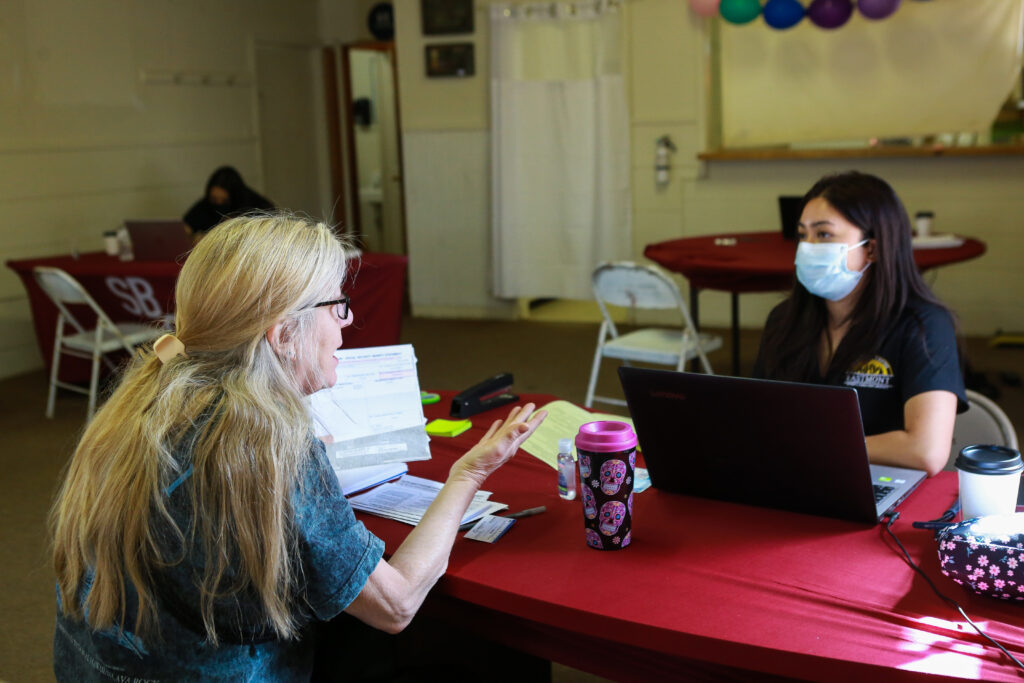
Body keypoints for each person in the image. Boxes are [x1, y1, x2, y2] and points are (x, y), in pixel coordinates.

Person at [50, 213, 547, 681]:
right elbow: (395, 605)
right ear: (284, 333)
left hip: (97, 666)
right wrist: (468, 475)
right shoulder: (267, 443)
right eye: (336, 306)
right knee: (479, 649)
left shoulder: (147, 393)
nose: (346, 322)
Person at [754, 171, 966, 476]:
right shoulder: (784, 320)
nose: (808, 247)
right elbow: (757, 417)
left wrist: (814, 447)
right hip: (792, 479)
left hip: (879, 483)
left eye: (824, 234)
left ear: (873, 249)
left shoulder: (922, 325)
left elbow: (926, 451)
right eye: (803, 235)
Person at [182, 166, 275, 237]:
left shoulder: (259, 207)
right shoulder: (205, 205)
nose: (219, 204)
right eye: (214, 199)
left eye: (224, 201)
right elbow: (185, 228)